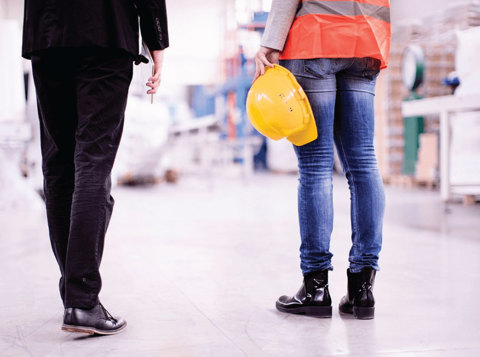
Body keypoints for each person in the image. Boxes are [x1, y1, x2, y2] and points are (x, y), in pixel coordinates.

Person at [22, 0, 169, 334]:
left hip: (46, 32)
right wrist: (156, 40)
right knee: (92, 162)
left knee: (59, 165)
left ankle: (74, 291)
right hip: (105, 31)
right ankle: (82, 299)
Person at [254, 0, 391, 319]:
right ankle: (362, 290)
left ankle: (315, 288)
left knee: (316, 166)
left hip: (314, 39)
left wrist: (270, 42)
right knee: (363, 162)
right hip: (365, 41)